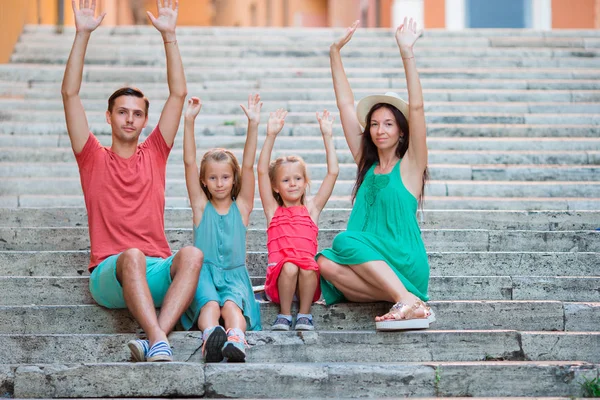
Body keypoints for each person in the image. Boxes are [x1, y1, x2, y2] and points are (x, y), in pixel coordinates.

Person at [61, 0, 203, 361]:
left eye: (137, 114)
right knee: (133, 256)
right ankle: (159, 337)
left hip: (154, 268)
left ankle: (155, 339)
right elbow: (69, 94)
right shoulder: (91, 156)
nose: (130, 119)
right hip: (111, 273)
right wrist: (82, 35)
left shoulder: (155, 152)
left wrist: (169, 36)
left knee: (191, 254)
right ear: (108, 117)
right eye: (122, 112)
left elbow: (178, 94)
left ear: (144, 122)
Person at [316, 18, 435, 331]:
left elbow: (418, 110)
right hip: (370, 263)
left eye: (389, 124)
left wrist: (406, 51)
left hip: (403, 257)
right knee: (323, 263)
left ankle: (404, 297)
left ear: (401, 132)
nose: (379, 130)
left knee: (343, 240)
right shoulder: (365, 164)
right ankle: (407, 300)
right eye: (374, 124)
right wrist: (334, 53)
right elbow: (344, 103)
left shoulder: (410, 165)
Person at [180, 95, 262, 363]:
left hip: (234, 276)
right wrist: (189, 122)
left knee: (230, 305)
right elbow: (190, 163)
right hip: (203, 274)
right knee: (210, 305)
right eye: (212, 178)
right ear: (203, 181)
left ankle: (236, 337)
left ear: (234, 178)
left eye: (225, 177)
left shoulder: (243, 208)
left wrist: (253, 125)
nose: (219, 183)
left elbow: (249, 165)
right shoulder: (201, 207)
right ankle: (211, 336)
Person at [258, 108, 339, 331]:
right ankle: (284, 315)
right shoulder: (273, 210)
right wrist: (270, 136)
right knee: (291, 266)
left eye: (297, 178)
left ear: (305, 182)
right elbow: (261, 172)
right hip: (279, 279)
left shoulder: (311, 209)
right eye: (285, 180)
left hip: (307, 280)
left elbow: (333, 173)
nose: (292, 183)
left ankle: (304, 315)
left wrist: (327, 135)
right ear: (275, 186)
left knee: (308, 266)